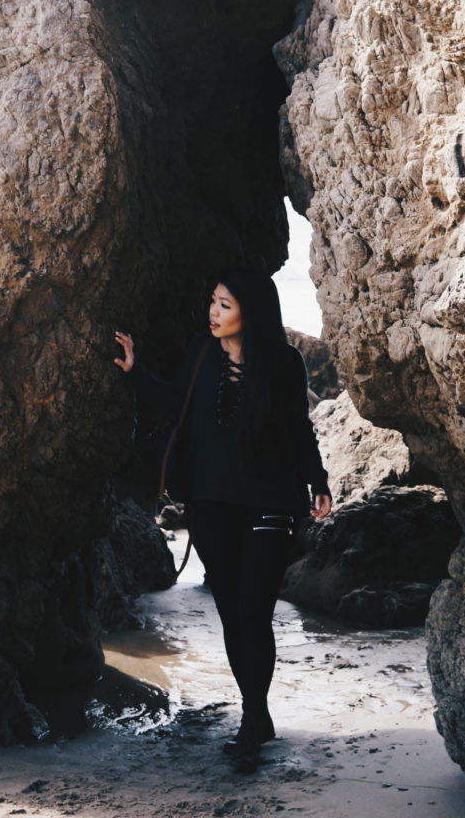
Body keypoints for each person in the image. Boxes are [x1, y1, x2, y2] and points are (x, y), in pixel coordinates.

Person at [113, 268, 332, 772]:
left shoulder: (284, 362)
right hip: (211, 506)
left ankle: (252, 720)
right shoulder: (200, 355)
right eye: (212, 301)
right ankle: (259, 713)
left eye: (225, 305)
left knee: (255, 612)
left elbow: (299, 427)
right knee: (235, 615)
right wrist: (135, 371)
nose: (213, 312)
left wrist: (317, 480)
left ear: (249, 312)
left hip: (272, 502)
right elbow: (177, 405)